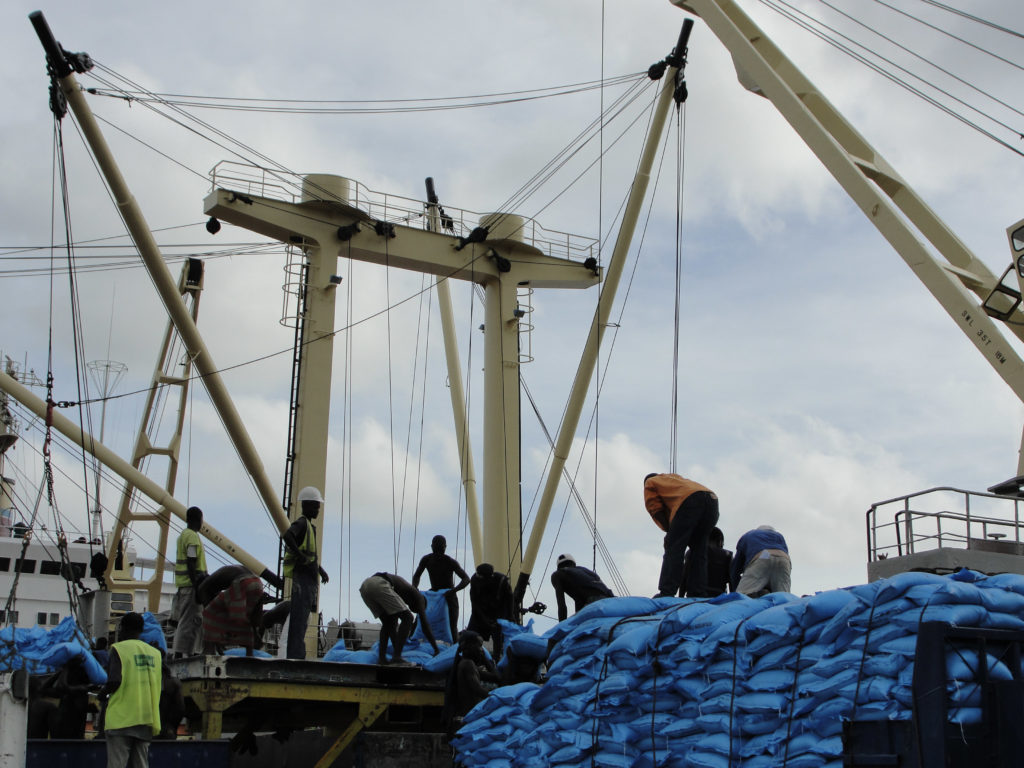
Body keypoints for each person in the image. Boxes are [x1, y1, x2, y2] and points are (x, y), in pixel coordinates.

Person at [644, 472, 719, 598]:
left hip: (690, 501)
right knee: (699, 551)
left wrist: (670, 532)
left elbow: (654, 507)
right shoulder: (674, 479)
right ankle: (698, 592)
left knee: (674, 548)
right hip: (712, 501)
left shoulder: (651, 482)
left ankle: (667, 592)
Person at [101, 612, 161, 768]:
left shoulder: (119, 649)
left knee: (117, 764)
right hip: (146, 717)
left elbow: (114, 681)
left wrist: (102, 694)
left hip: (121, 718)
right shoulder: (155, 654)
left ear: (123, 628)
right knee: (141, 764)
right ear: (141, 630)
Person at [281, 486, 330, 659]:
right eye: (316, 506)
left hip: (309, 578)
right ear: (307, 505)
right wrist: (298, 554)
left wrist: (321, 571)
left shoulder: (310, 527)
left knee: (303, 619)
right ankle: (295, 655)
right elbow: (287, 536)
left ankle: (297, 653)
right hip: (302, 578)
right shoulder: (302, 523)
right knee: (299, 618)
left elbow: (312, 556)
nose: (318, 510)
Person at [359, 572, 440, 664]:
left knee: (388, 623)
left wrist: (397, 645)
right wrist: (436, 649)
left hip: (366, 586)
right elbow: (425, 625)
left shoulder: (403, 594)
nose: (416, 612)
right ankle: (397, 657)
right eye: (418, 610)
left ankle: (382, 659)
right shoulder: (420, 598)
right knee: (408, 618)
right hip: (380, 583)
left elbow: (393, 629)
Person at [412, 534, 470, 643]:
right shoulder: (427, 559)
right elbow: (416, 575)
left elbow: (466, 579)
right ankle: (410, 642)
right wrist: (415, 588)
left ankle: (454, 651)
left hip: (448, 595)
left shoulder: (449, 561)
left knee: (452, 625)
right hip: (433, 595)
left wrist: (453, 590)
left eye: (441, 547)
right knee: (419, 620)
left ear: (445, 547)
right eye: (437, 547)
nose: (439, 550)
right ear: (432, 547)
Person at [441, 630, 499, 738]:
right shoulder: (467, 665)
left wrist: (486, 660)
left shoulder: (469, 664)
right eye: (479, 646)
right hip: (467, 716)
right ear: (469, 647)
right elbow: (477, 689)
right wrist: (497, 698)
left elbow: (496, 678)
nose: (481, 650)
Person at [171, 506, 207, 657]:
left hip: (183, 585)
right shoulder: (192, 536)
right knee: (189, 622)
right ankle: (181, 654)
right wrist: (197, 584)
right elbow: (191, 560)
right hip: (191, 585)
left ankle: (185, 652)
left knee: (187, 621)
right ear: (199, 520)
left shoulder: (182, 536)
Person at [466, 563, 514, 660]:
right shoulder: (475, 580)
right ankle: (470, 656)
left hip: (498, 611)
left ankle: (497, 658)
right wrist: (484, 619)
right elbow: (474, 603)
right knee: (470, 635)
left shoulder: (502, 581)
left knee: (498, 634)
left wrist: (510, 616)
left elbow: (510, 599)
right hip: (480, 612)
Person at [731, 525, 792, 596]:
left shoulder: (749, 534)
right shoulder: (779, 537)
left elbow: (735, 568)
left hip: (763, 556)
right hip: (784, 560)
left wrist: (735, 589)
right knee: (783, 598)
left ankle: (757, 595)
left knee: (743, 596)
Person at [550, 554, 613, 622]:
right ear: (574, 563)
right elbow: (580, 598)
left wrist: (561, 626)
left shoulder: (557, 574)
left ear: (558, 567)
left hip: (592, 603)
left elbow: (562, 605)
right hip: (611, 601)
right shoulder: (586, 571)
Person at [680, 526, 733, 597]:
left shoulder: (692, 552)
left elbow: (684, 578)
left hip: (694, 597)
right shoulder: (727, 555)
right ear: (720, 541)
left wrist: (680, 598)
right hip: (718, 598)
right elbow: (732, 582)